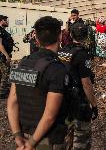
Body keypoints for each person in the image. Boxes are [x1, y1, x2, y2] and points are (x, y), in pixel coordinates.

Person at [7, 16, 69, 150]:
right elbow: (49, 116)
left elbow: (12, 102)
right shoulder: (57, 69)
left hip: (25, 136)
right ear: (59, 36)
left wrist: (18, 136)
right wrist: (31, 144)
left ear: (36, 38)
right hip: (47, 140)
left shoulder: (23, 63)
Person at [58, 22, 98, 150]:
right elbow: (86, 83)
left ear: (70, 34)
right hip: (79, 101)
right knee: (82, 137)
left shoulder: (62, 51)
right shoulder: (82, 55)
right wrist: (94, 105)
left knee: (66, 135)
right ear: (86, 36)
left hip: (63, 99)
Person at [0, 15, 14, 99]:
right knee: (5, 73)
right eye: (5, 20)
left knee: (4, 73)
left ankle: (4, 89)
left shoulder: (3, 31)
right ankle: (2, 92)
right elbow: (0, 45)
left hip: (3, 55)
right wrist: (6, 55)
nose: (7, 21)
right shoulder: (0, 30)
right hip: (2, 56)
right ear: (1, 21)